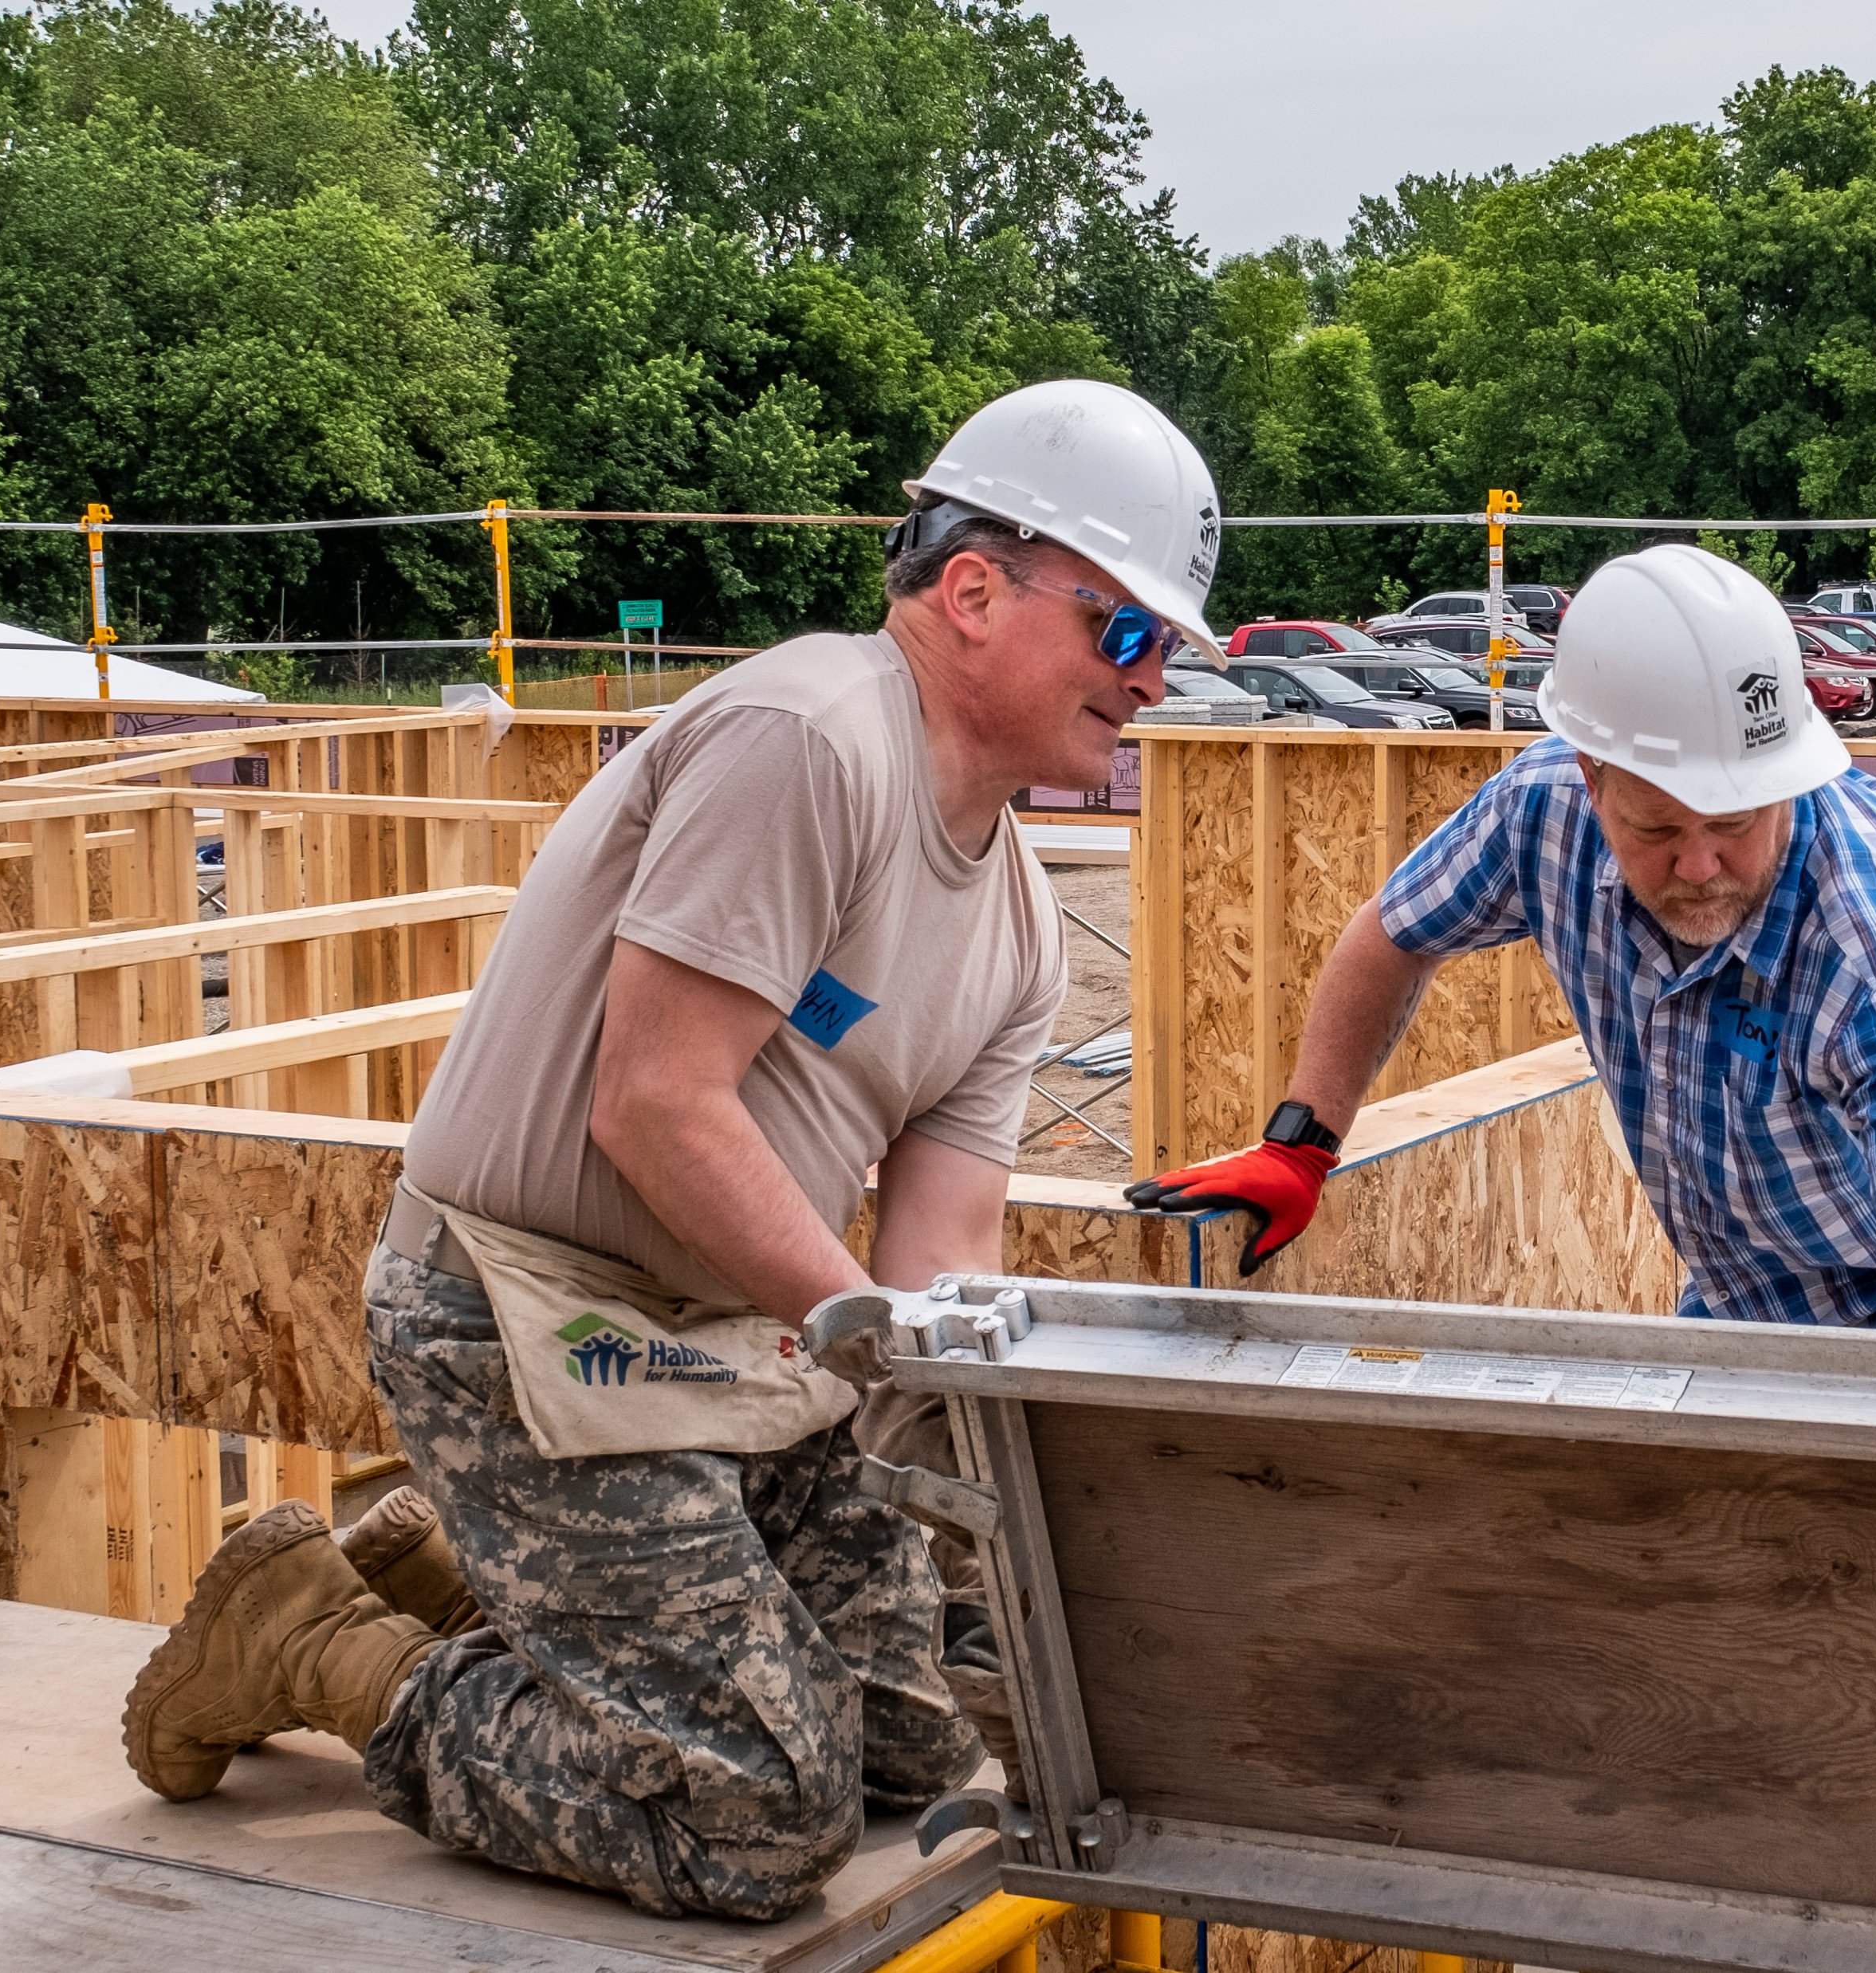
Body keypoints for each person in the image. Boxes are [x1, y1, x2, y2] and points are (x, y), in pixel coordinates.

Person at [120, 378, 1224, 1920]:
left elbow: (937, 1253)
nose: (1154, 679)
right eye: (1127, 634)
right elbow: (654, 1104)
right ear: (974, 590)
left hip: (735, 1338)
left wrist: (997, 1451)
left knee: (912, 1751)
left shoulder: (1024, 925)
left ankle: (492, 1578)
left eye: (1169, 646)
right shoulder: (809, 740)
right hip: (529, 1313)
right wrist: (870, 1355)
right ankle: (318, 1634)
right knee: (769, 1819)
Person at [1131, 542, 1876, 1338]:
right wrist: (1302, 1143)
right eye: (1657, 831)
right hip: (1762, 1277)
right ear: (1590, 778)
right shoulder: (1537, 811)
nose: (1700, 866)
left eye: (1736, 823)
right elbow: (1390, 937)